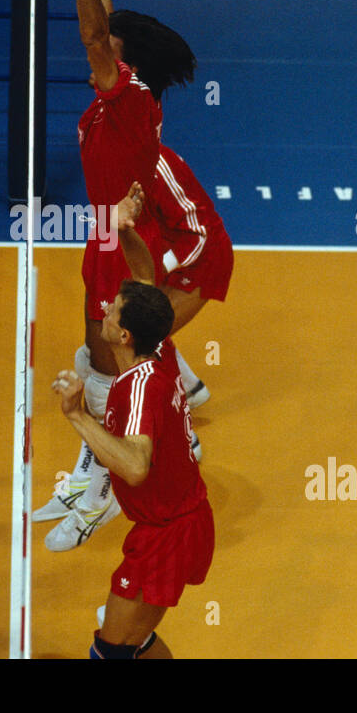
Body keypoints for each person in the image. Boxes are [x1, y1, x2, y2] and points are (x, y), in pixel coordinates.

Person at [36, 0, 198, 550]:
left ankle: (105, 488)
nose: (106, 42)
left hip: (124, 242)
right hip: (106, 235)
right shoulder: (134, 89)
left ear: (127, 58)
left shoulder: (127, 98)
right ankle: (91, 470)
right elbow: (106, 4)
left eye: (114, 43)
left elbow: (95, 24)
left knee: (109, 366)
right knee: (93, 357)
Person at [35, 142, 234, 541]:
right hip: (122, 235)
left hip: (162, 249)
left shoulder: (146, 153)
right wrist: (115, 226)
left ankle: (100, 498)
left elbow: (200, 236)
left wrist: (163, 265)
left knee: (109, 379)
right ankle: (88, 477)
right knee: (90, 359)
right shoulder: (106, 139)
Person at [51, 183, 214, 659]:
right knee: (133, 643)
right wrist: (121, 230)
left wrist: (79, 416)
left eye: (112, 309)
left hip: (168, 533)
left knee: (111, 649)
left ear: (123, 334)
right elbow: (143, 277)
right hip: (176, 522)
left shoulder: (141, 388)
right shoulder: (155, 346)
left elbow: (136, 466)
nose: (103, 306)